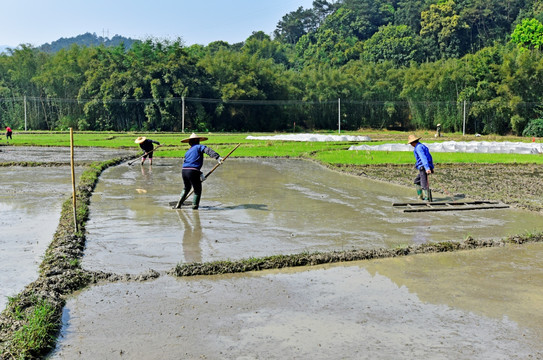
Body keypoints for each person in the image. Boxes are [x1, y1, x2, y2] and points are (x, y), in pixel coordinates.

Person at [173, 133, 222, 210]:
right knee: (197, 190)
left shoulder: (188, 151)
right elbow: (207, 150)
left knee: (187, 187)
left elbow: (189, 164)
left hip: (184, 171)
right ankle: (194, 209)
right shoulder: (199, 147)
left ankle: (178, 205)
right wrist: (217, 157)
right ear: (197, 140)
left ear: (190, 142)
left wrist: (200, 173)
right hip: (193, 171)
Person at [407, 134, 434, 202]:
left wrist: (427, 168)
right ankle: (420, 197)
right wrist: (431, 167)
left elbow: (423, 158)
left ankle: (427, 198)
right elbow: (429, 157)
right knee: (417, 181)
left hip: (423, 167)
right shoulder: (422, 146)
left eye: (410, 143)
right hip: (425, 166)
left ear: (413, 142)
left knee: (424, 183)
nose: (410, 145)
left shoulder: (418, 147)